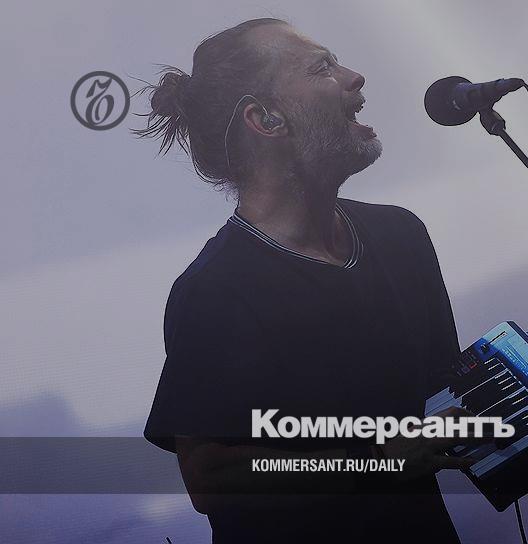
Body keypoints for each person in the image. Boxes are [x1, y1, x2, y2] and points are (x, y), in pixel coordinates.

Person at [137, 18, 471, 543]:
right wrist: (372, 461)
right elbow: (210, 478)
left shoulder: (400, 235)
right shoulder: (215, 291)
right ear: (266, 118)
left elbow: (435, 390)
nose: (355, 76)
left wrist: (509, 392)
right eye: (322, 67)